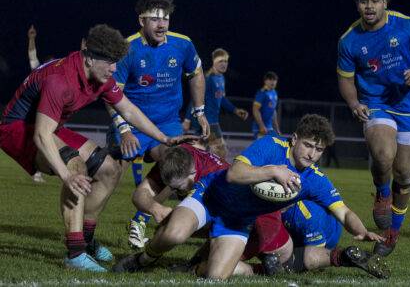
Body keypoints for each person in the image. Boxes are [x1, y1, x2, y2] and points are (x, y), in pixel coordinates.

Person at [0, 24, 195, 272]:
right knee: (76, 165)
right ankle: (75, 253)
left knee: (109, 169)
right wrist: (66, 174)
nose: (115, 69)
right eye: (111, 62)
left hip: (48, 127)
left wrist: (164, 138)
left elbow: (128, 109)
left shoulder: (100, 77)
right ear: (90, 59)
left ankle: (88, 240)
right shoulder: (60, 80)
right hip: (17, 131)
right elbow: (41, 134)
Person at [112, 114, 388, 279]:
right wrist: (273, 171)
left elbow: (343, 212)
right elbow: (234, 174)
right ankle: (141, 261)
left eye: (318, 149)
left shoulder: (314, 180)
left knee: (216, 277)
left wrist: (362, 230)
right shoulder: (271, 146)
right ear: (294, 139)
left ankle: (191, 267)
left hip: (240, 219)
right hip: (212, 194)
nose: (311, 154)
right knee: (174, 234)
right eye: (307, 145)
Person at [337, 0, 410, 256]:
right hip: (377, 104)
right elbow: (346, 79)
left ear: (385, 2)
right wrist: (354, 103)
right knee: (384, 156)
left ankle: (391, 236)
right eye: (364, 2)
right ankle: (382, 192)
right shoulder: (349, 41)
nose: (370, 6)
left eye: (375, 0)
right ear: (357, 5)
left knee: (405, 174)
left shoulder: (409, 26)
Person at [104, 0, 210, 249]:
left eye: (165, 19)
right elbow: (111, 94)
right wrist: (124, 129)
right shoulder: (127, 48)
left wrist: (200, 112)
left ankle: (141, 220)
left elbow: (195, 74)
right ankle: (84, 238)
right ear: (142, 21)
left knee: (175, 166)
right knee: (109, 174)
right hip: (131, 122)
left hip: (166, 123)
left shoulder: (182, 44)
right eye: (154, 19)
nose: (161, 25)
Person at [183, 48, 249, 160]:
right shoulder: (208, 78)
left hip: (211, 120)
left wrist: (235, 110)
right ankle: (182, 149)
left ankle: (183, 151)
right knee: (221, 152)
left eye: (226, 61)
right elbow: (196, 97)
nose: (223, 64)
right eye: (220, 61)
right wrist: (187, 119)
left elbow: (221, 98)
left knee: (202, 149)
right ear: (214, 61)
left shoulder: (221, 78)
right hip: (208, 121)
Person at [27, 24, 55, 183]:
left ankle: (45, 169)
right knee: (38, 142)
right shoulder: (40, 74)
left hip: (49, 115)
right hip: (36, 114)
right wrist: (31, 39)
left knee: (46, 142)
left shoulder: (58, 79)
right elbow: (32, 56)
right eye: (49, 63)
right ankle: (36, 172)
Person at [252, 71, 281, 139]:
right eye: (270, 79)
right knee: (263, 148)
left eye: (274, 80)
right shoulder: (262, 93)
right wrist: (261, 126)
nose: (272, 82)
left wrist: (277, 129)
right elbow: (255, 110)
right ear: (265, 81)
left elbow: (273, 111)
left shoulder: (274, 93)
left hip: (270, 128)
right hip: (260, 128)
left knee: (278, 147)